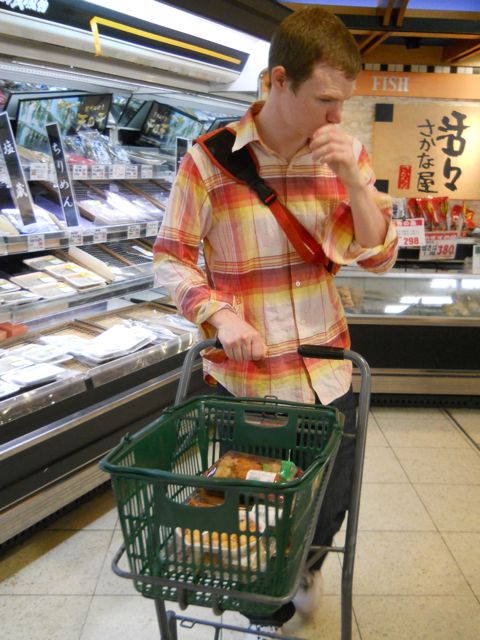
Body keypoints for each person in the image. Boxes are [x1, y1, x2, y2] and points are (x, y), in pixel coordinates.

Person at [153, 5, 398, 636]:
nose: (336, 117)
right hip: (249, 384)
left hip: (329, 376)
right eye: (324, 100)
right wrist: (217, 313)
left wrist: (351, 175)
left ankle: (308, 565)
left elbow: (378, 253)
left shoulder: (348, 157)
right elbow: (171, 260)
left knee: (327, 502)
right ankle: (265, 603)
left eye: (344, 101)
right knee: (246, 510)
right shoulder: (210, 162)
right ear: (278, 81)